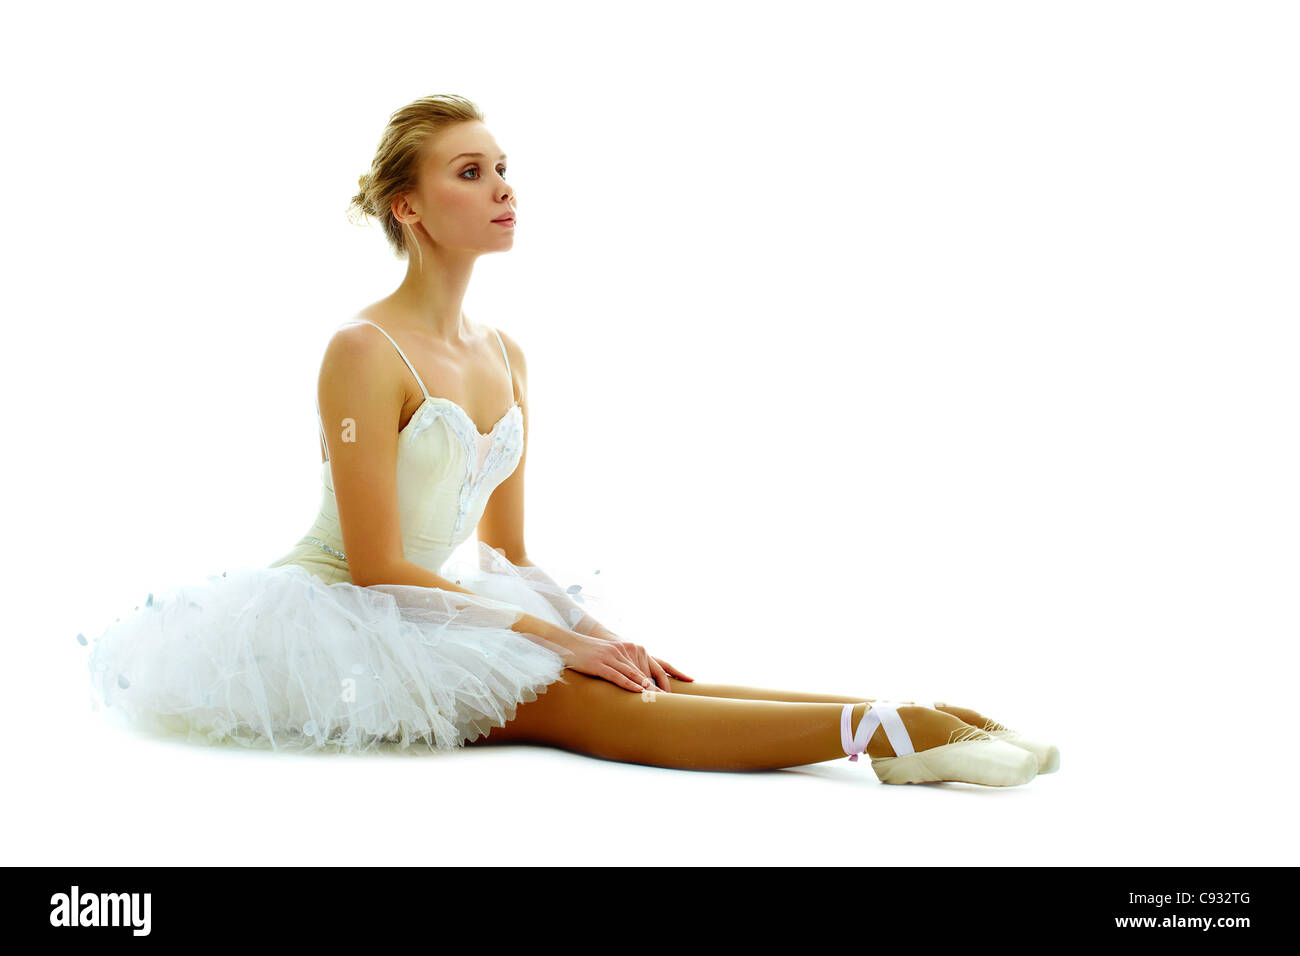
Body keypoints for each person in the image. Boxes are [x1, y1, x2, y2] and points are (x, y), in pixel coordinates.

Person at [83, 93, 1059, 787]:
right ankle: (884, 733)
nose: (503, 187)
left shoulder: (506, 351)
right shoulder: (361, 348)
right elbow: (377, 561)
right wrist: (551, 640)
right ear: (408, 207)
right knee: (597, 711)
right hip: (345, 611)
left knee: (646, 676)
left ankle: (914, 713)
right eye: (471, 173)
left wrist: (596, 633)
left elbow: (505, 552)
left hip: (441, 603)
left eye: (504, 168)